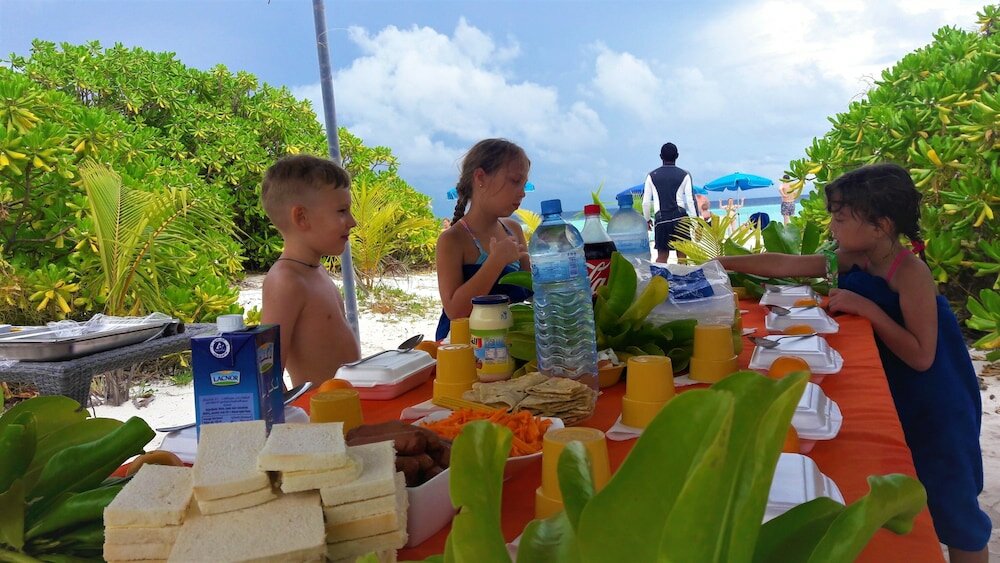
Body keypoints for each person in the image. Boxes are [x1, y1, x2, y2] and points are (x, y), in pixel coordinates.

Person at [716, 163, 990, 563]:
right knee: (912, 478)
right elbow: (786, 264)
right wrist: (722, 265)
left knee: (954, 505)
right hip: (899, 393)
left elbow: (921, 355)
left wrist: (868, 309)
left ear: (879, 226)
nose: (832, 225)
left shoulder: (909, 272)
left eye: (840, 218)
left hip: (937, 401)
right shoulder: (852, 257)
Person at [259, 154, 361, 387]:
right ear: (302, 217)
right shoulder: (285, 281)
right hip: (321, 417)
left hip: (345, 407)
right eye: (342, 211)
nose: (352, 221)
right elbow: (267, 369)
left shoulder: (315, 270)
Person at [436, 139, 532, 341]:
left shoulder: (513, 229)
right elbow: (455, 311)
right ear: (480, 178)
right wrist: (496, 262)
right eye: (515, 181)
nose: (522, 193)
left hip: (511, 343)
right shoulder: (452, 240)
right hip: (468, 349)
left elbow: (531, 291)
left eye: (524, 185)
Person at [641, 142, 697, 263]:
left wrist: (647, 220)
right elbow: (690, 201)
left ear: (661, 156)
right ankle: (682, 280)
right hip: (681, 218)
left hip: (661, 219)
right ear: (677, 156)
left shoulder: (651, 176)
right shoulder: (685, 175)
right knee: (682, 255)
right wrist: (697, 223)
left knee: (662, 255)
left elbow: (645, 202)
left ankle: (659, 280)